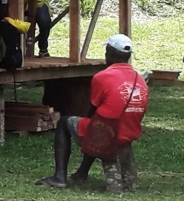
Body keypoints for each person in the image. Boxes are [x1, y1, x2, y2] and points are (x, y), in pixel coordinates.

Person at [35, 34, 149, 193]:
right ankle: (82, 172)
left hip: (107, 133)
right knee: (97, 124)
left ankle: (59, 177)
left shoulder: (102, 77)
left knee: (68, 123)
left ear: (109, 52)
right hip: (128, 132)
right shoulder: (140, 79)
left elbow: (93, 110)